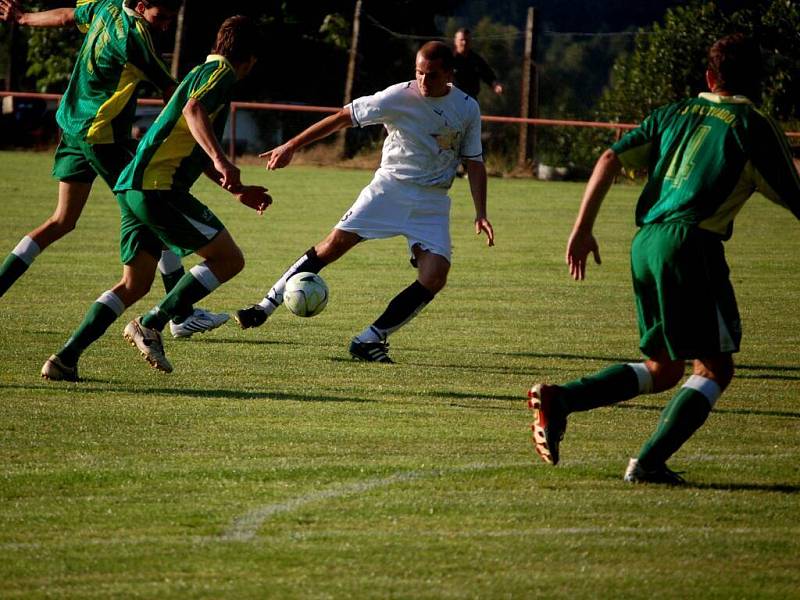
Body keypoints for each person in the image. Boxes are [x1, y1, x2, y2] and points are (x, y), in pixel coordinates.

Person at [527, 34, 800, 484]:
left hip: (646, 242)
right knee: (715, 368)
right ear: (760, 81)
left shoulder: (673, 113)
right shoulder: (753, 124)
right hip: (691, 245)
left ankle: (562, 399)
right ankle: (648, 462)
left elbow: (610, 156)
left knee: (664, 368)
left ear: (710, 77)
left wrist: (582, 228)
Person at [41, 15, 270, 381]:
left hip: (131, 185)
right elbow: (194, 110)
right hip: (157, 188)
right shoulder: (222, 74)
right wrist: (221, 159)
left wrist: (236, 189)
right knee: (229, 259)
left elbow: (186, 130)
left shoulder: (199, 71)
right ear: (251, 58)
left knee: (134, 283)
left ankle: (66, 358)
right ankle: (152, 323)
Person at [234, 40, 495, 363]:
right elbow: (343, 117)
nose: (423, 81)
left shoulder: (467, 107)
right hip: (389, 189)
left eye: (432, 75)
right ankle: (264, 307)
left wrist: (481, 212)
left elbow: (474, 161)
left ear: (449, 74)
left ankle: (370, 339)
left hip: (433, 201)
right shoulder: (398, 96)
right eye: (418, 72)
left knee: (435, 276)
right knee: (332, 246)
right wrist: (291, 145)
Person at [0, 0, 228, 338]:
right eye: (160, 16)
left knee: (62, 221)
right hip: (103, 138)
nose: (164, 25)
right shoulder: (137, 39)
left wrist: (22, 18)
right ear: (140, 6)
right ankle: (181, 314)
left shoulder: (104, 7)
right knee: (152, 201)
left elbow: (65, 17)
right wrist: (208, 153)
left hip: (73, 129)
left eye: (170, 19)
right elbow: (173, 94)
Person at [452, 28, 503, 101]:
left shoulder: (476, 59)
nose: (464, 43)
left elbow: (488, 75)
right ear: (456, 41)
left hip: (471, 100)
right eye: (462, 40)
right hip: (453, 100)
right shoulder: (449, 60)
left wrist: (496, 86)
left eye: (467, 40)